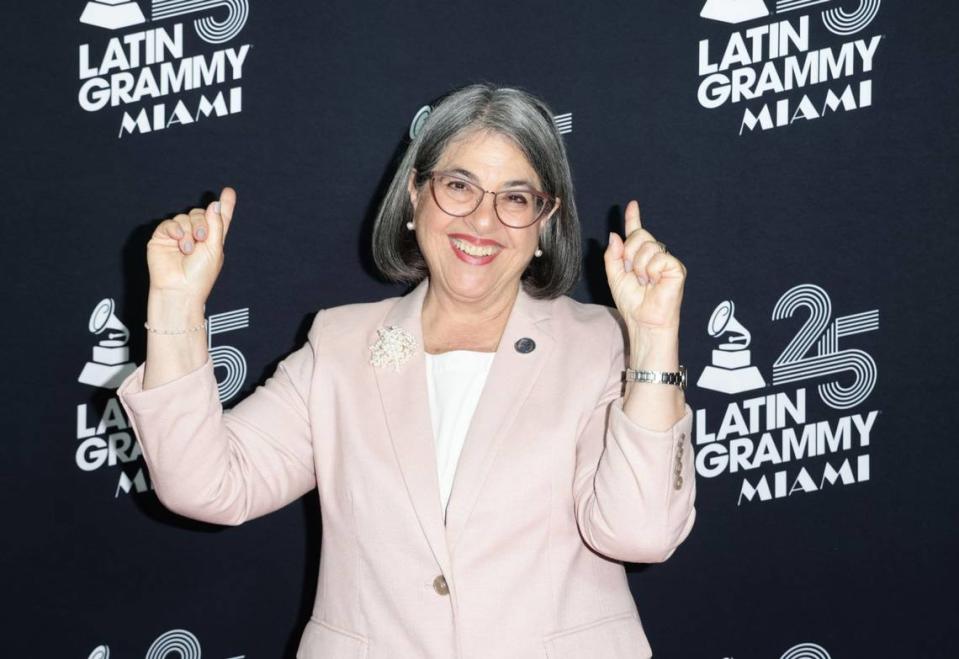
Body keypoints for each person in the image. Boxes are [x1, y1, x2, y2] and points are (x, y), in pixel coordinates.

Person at [117, 83, 696, 659]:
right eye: (459, 186)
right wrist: (174, 302)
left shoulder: (597, 347)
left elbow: (639, 534)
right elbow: (208, 487)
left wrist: (652, 339)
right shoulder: (340, 346)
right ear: (416, 195)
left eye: (515, 199)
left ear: (545, 222)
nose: (482, 220)